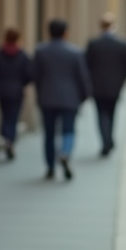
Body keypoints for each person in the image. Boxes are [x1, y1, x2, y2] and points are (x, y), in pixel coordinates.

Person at [32, 18, 92, 181]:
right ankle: (65, 153)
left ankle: (50, 167)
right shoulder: (75, 52)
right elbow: (83, 77)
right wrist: (84, 96)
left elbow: (35, 76)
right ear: (66, 33)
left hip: (47, 98)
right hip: (69, 98)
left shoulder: (40, 51)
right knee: (68, 130)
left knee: (49, 134)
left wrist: (40, 93)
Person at [84, 13, 126, 156]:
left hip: (97, 86)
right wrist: (122, 78)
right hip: (115, 86)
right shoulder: (121, 44)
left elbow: (86, 64)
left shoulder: (93, 44)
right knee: (112, 113)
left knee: (100, 114)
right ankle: (109, 140)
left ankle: (106, 141)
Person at [0, 27, 32, 160]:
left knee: (5, 115)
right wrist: (21, 83)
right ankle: (10, 140)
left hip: (2, 90)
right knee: (13, 117)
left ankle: (6, 138)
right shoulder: (22, 55)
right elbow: (28, 74)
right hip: (17, 91)